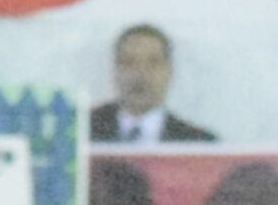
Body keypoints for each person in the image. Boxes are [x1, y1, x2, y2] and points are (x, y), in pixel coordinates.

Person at [89, 25, 217, 144]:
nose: (140, 74)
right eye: (129, 62)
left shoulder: (199, 143)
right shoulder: (83, 132)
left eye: (153, 63)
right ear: (114, 71)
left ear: (169, 72)